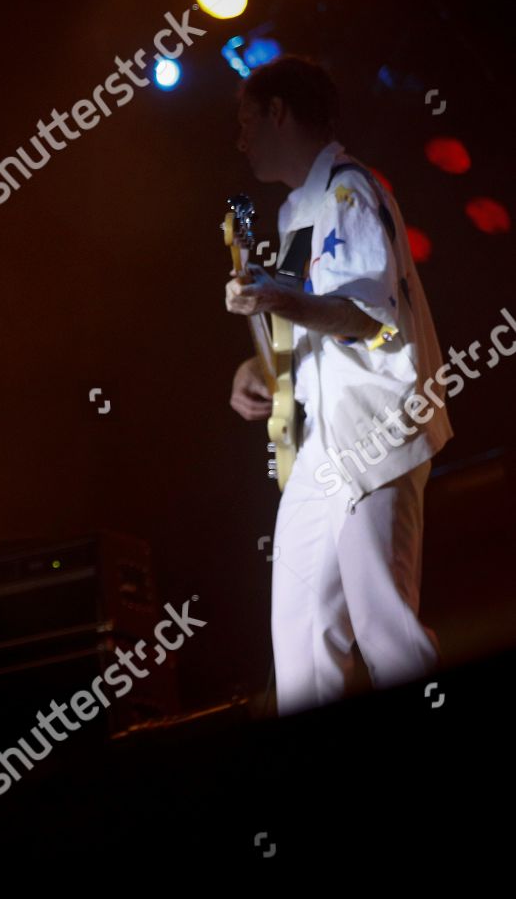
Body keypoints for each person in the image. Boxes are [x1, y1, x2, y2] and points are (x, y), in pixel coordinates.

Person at [226, 55, 450, 716]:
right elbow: (299, 329)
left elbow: (363, 315)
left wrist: (272, 297)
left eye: (246, 121)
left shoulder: (352, 189)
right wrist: (254, 370)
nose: (239, 140)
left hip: (375, 432)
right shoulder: (299, 210)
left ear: (278, 113)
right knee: (297, 644)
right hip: (320, 450)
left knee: (387, 629)